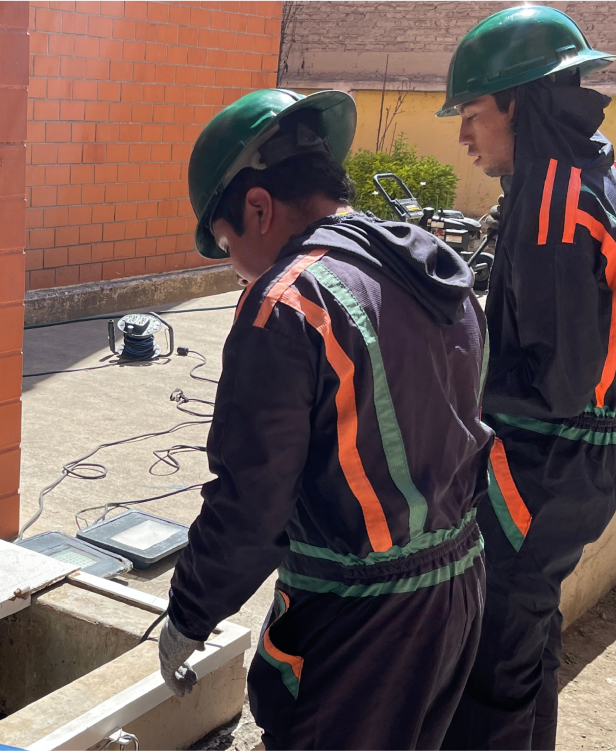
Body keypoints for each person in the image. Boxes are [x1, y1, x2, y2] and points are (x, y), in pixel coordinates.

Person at [156, 88, 494, 750]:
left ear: (257, 208)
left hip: (362, 625)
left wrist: (189, 612)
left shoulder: (285, 302)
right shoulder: (422, 264)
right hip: (457, 588)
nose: (234, 271)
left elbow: (251, 504)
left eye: (226, 245)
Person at [436, 8, 616, 749]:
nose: (464, 136)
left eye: (471, 115)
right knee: (530, 645)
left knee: (491, 669)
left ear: (518, 103)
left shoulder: (553, 202)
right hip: (588, 462)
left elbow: (553, 378)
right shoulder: (611, 175)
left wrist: (454, 384)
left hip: (539, 465)